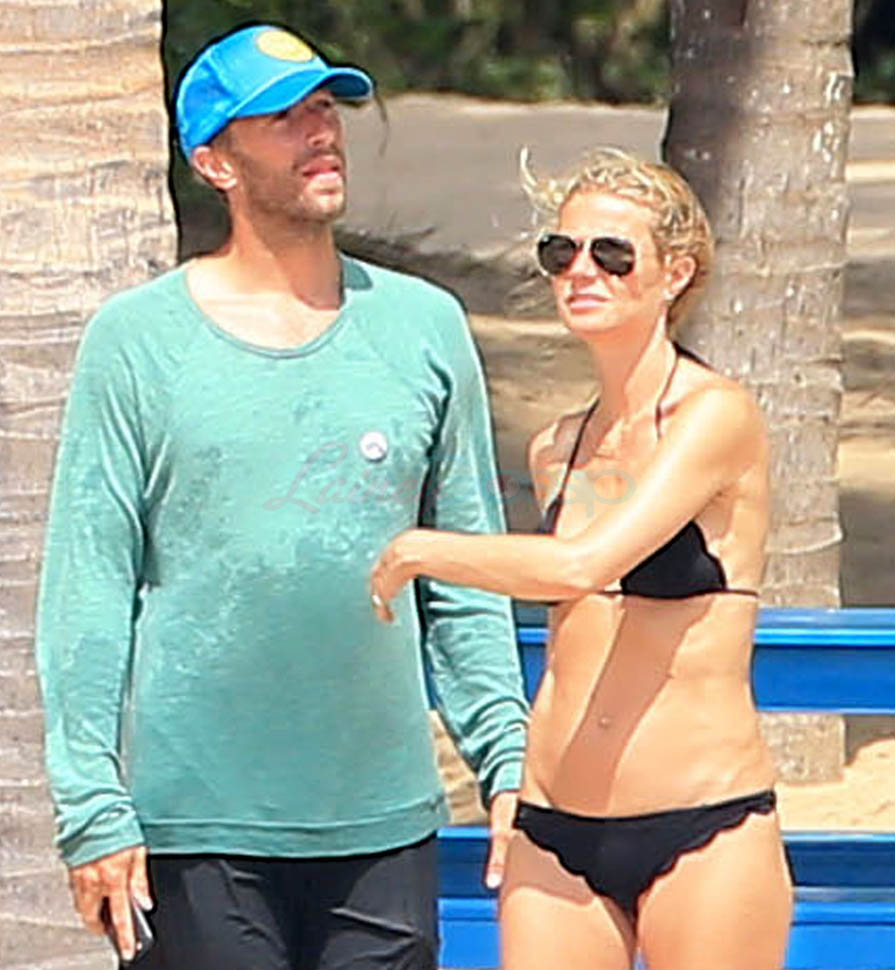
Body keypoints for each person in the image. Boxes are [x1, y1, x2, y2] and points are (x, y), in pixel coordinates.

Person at [35, 23, 528, 970]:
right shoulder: (136, 342)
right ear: (214, 161)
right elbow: (88, 591)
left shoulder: (425, 328)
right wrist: (93, 807)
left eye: (324, 108)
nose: (320, 132)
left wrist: (505, 759)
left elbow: (466, 573)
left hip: (383, 826)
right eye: (281, 117)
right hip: (195, 830)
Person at [371, 147, 793, 970]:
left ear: (674, 273)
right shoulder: (556, 447)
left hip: (701, 821)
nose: (580, 272)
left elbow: (580, 566)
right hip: (553, 826)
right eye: (560, 252)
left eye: (611, 254)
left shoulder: (714, 416)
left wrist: (418, 551)